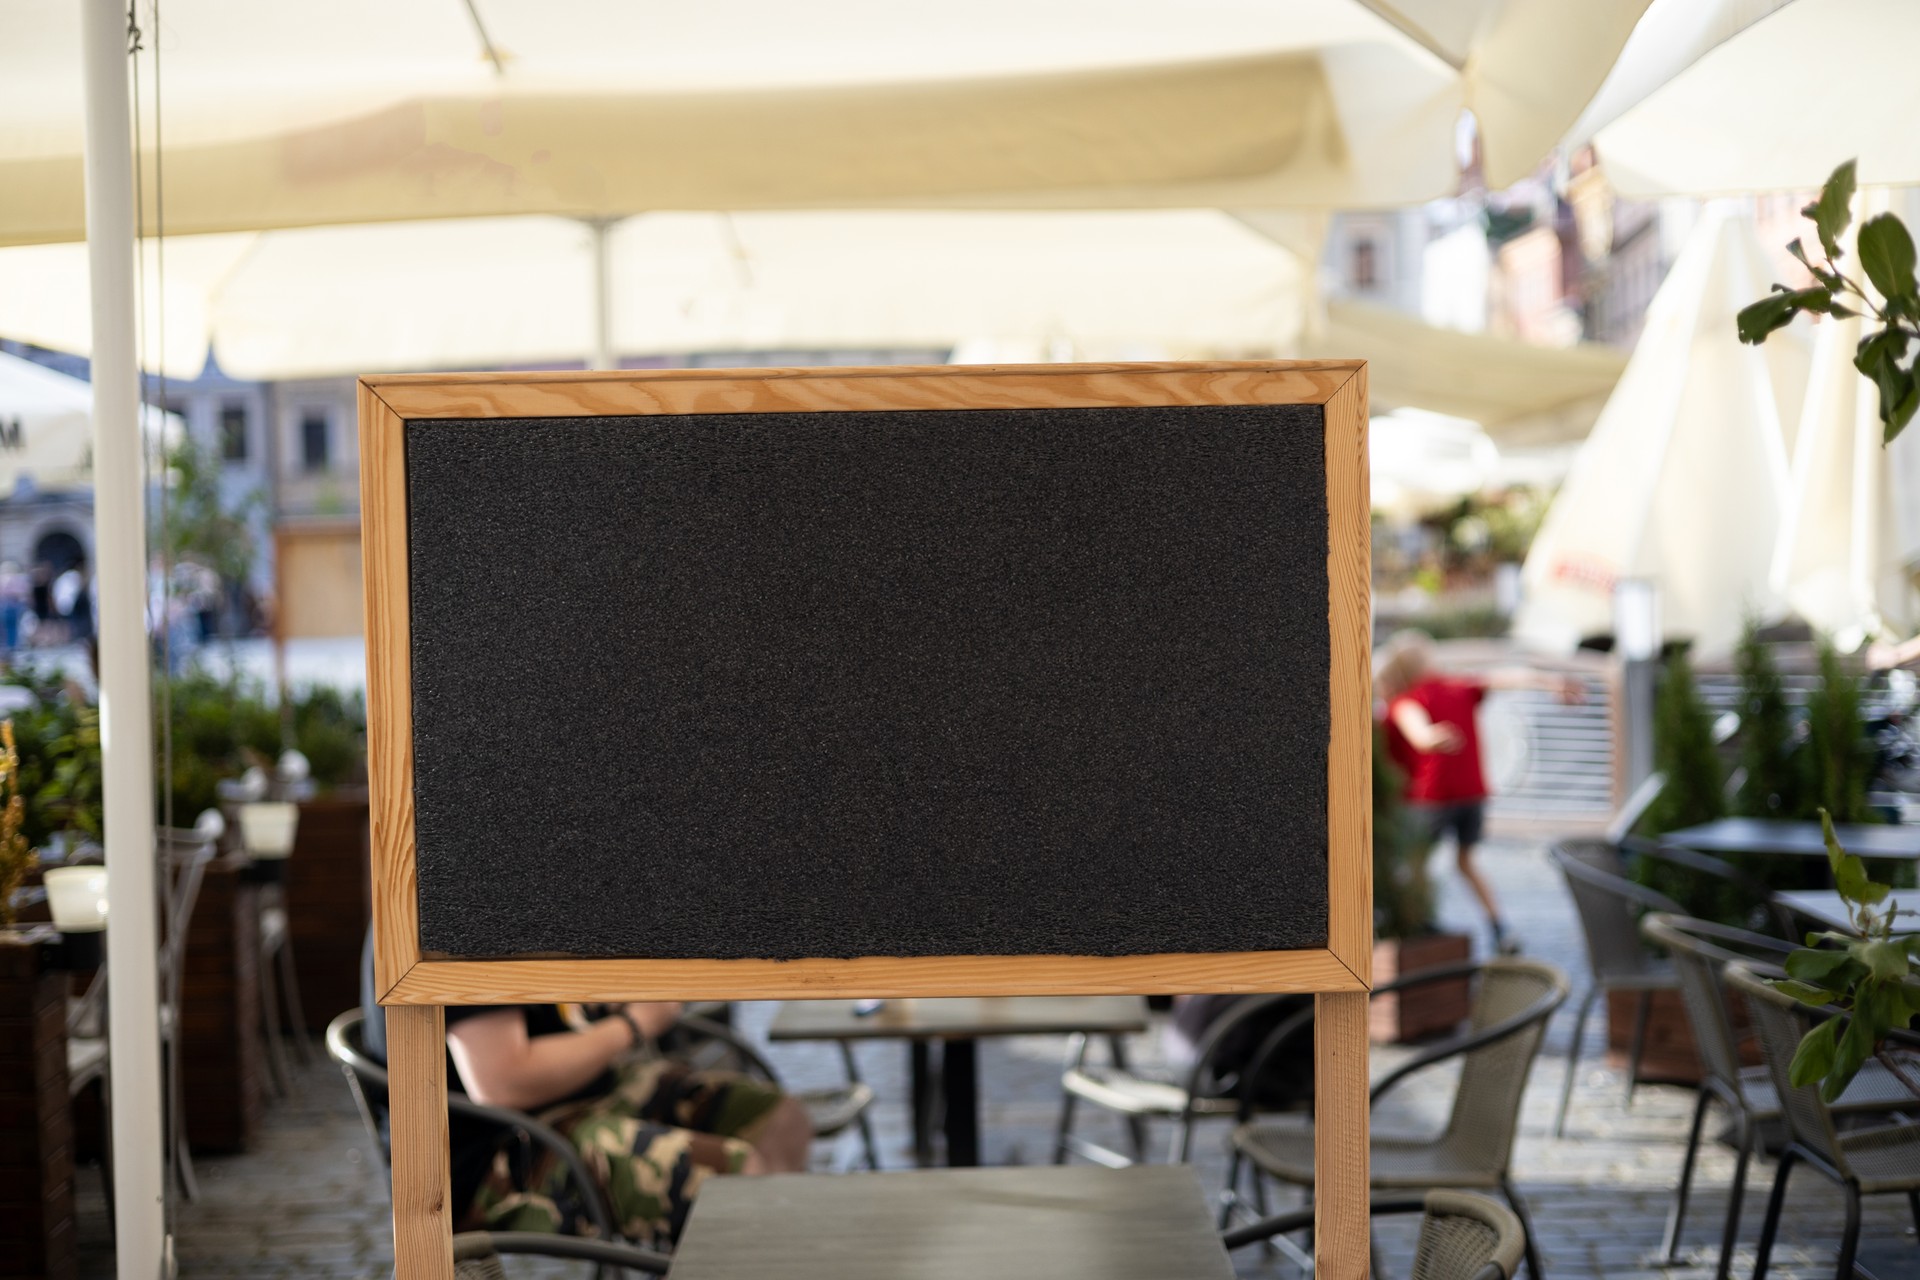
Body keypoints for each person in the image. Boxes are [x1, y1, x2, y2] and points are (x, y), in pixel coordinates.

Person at [358, 938, 812, 1248]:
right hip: (497, 1152)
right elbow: (502, 1083)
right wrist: (631, 1026)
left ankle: (723, 1252)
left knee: (781, 1117)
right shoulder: (449, 904)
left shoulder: (511, 874)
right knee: (738, 1179)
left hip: (581, 1098)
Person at [1376, 629, 1580, 955]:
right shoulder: (1459, 687)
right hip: (1472, 794)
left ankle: (1418, 925)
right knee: (1465, 861)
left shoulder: (1406, 699)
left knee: (1414, 863)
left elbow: (1413, 727)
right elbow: (1510, 678)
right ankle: (1499, 926)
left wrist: (1429, 738)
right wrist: (1550, 682)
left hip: (1432, 798)